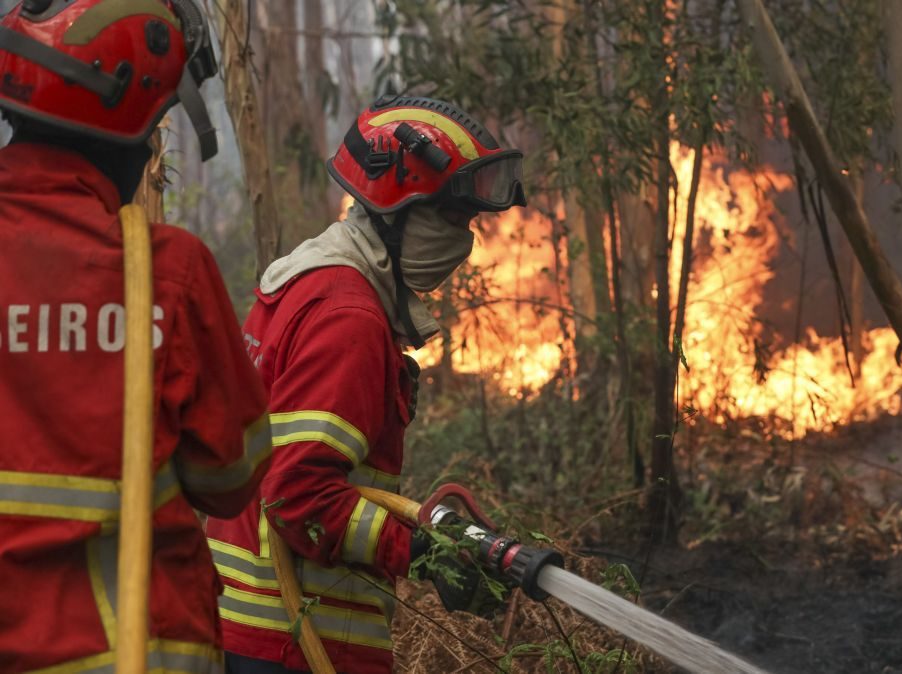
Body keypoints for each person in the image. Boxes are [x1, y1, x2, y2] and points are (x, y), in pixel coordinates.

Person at [205, 95, 527, 673]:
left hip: (249, 632)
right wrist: (423, 555)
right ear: (395, 211)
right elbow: (295, 493)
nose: (463, 239)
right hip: (296, 641)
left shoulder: (306, 281)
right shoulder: (348, 316)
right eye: (451, 219)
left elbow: (304, 472)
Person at [0, 1, 271, 672]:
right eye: (157, 127)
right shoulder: (165, 273)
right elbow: (230, 478)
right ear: (132, 126)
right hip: (133, 650)